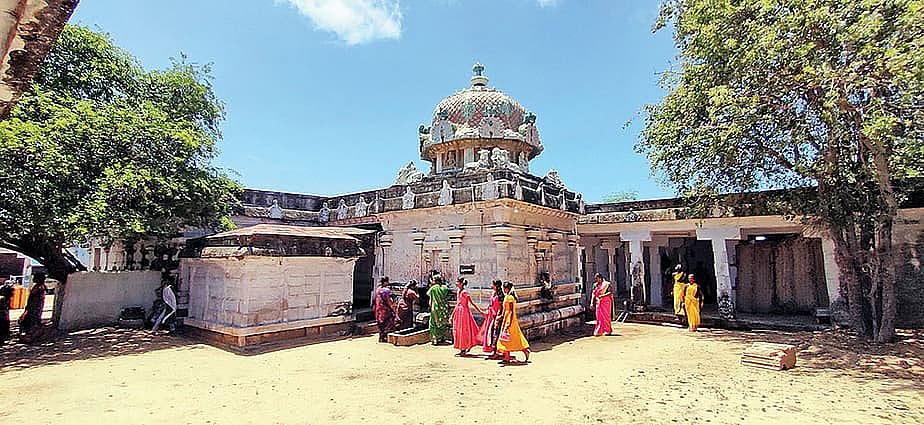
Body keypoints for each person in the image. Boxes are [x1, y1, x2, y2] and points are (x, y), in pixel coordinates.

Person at [496, 282, 530, 364]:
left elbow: (511, 311)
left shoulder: (510, 298)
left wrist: (508, 323)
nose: (504, 290)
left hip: (510, 319)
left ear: (508, 288)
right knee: (506, 338)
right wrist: (501, 317)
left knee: (512, 337)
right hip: (506, 318)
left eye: (505, 288)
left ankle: (524, 350)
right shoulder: (507, 297)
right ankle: (507, 356)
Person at [450, 278, 483, 356]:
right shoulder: (458, 291)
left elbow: (472, 303)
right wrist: (452, 315)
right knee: (458, 330)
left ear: (461, 283)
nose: (456, 283)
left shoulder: (465, 292)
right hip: (459, 312)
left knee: (464, 330)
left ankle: (464, 348)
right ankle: (462, 348)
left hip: (464, 313)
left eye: (457, 282)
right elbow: (457, 304)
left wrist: (480, 311)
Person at [478, 280, 504, 358]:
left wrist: (498, 318)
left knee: (496, 333)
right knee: (491, 332)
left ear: (496, 286)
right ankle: (494, 350)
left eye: (492, 284)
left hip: (496, 316)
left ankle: (496, 351)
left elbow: (500, 307)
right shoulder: (493, 293)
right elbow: (490, 304)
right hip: (491, 315)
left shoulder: (500, 295)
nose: (491, 285)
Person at [426, 275, 450, 345]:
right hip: (444, 307)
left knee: (433, 324)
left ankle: (435, 339)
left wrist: (430, 306)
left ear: (435, 281)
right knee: (443, 323)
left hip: (435, 308)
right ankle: (442, 337)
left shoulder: (433, 288)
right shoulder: (445, 288)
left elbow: (430, 299)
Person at [373, 277, 398, 342]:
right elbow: (389, 301)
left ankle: (381, 337)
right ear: (385, 282)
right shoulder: (386, 291)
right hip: (385, 310)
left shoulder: (378, 289)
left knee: (380, 323)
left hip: (378, 309)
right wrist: (393, 309)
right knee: (388, 323)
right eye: (387, 281)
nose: (388, 283)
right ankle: (385, 337)